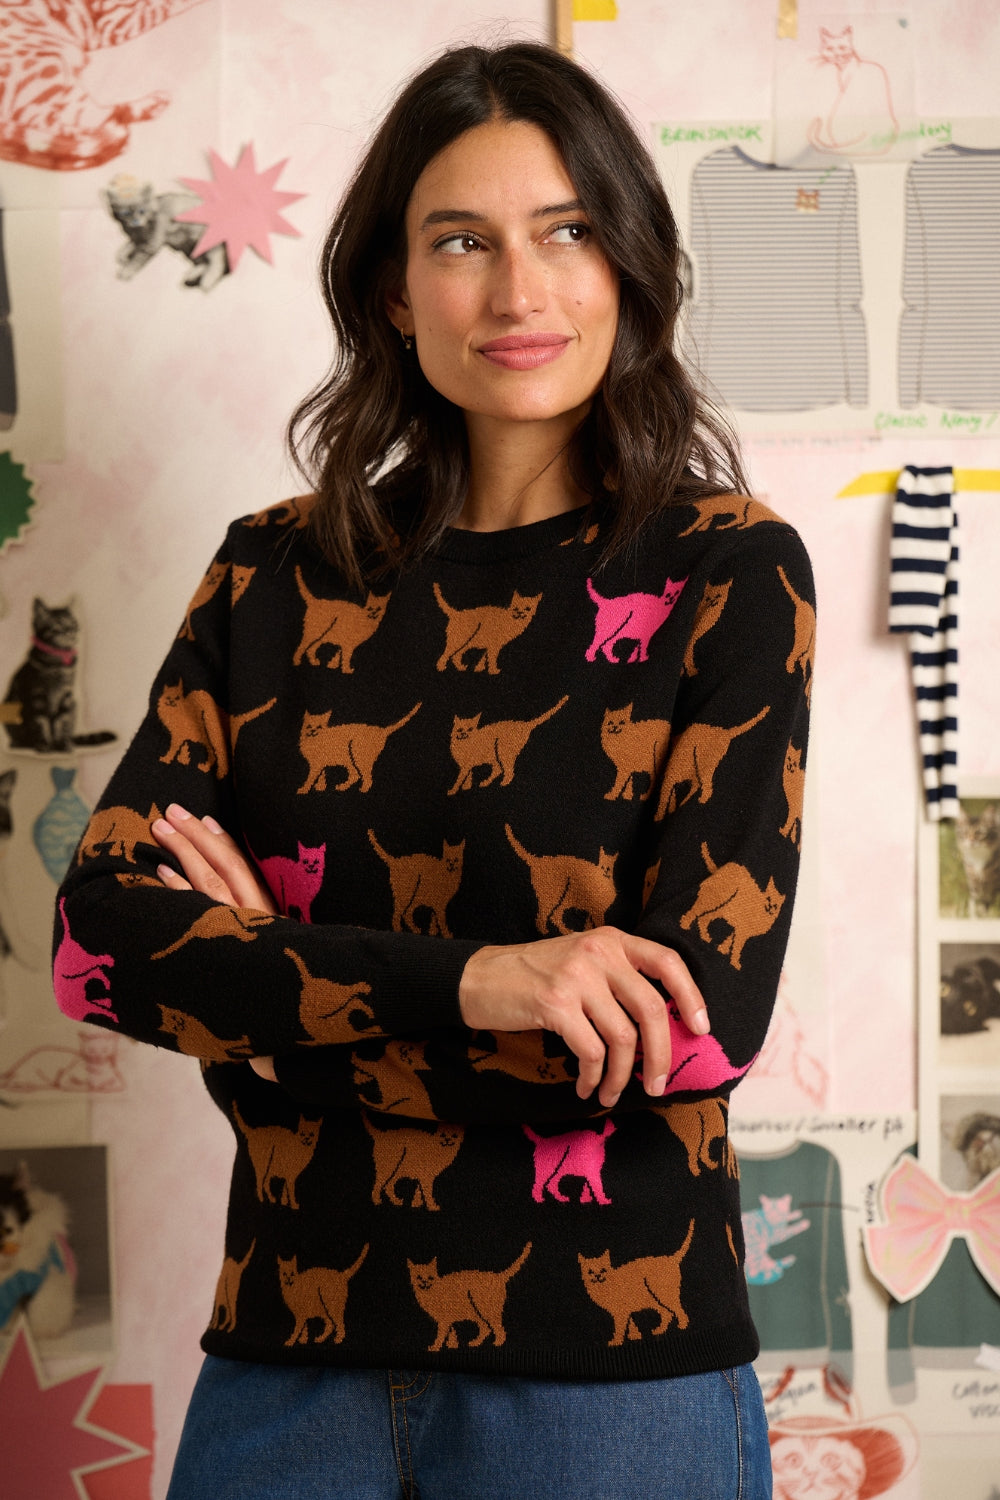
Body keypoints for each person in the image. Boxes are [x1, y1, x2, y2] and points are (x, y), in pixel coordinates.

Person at [54, 39, 814, 1500]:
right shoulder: (271, 574)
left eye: (566, 234)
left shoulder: (729, 574)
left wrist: (272, 993)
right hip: (291, 1361)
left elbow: (697, 1028)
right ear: (396, 293)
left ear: (630, 268)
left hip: (606, 1389)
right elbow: (98, 955)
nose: (518, 293)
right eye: (462, 242)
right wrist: (499, 981)